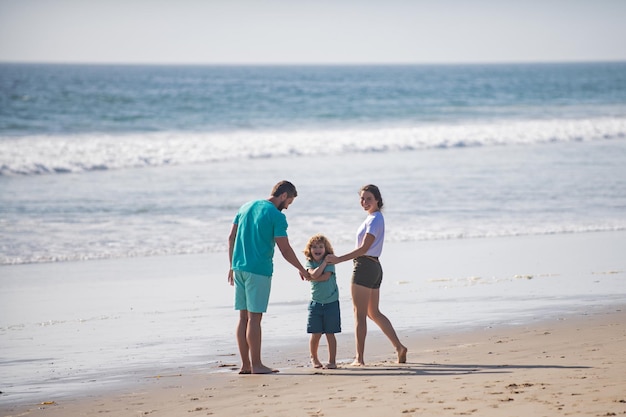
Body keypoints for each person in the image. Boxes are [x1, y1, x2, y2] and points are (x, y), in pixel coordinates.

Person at [227, 180, 310, 374]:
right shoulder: (276, 216)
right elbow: (285, 249)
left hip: (238, 267)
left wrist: (231, 265)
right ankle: (256, 365)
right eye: (289, 202)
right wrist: (301, 269)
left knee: (243, 317)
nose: (287, 207)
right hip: (259, 270)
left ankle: (246, 365)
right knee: (255, 318)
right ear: (283, 196)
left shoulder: (246, 206)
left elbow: (231, 237)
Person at [326, 184, 407, 366]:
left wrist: (339, 259)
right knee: (373, 312)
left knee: (359, 314)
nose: (364, 202)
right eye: (362, 198)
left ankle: (359, 358)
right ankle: (399, 347)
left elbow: (363, 248)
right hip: (375, 267)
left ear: (377, 199)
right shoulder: (375, 218)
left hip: (364, 266)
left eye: (368, 198)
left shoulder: (374, 220)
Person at [303, 234, 341, 369]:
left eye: (320, 246)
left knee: (330, 333)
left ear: (326, 249)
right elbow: (313, 273)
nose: (317, 249)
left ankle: (332, 361)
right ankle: (314, 358)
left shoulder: (330, 262)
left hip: (331, 302)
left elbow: (324, 277)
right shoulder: (309, 263)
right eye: (314, 247)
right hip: (316, 303)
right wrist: (312, 276)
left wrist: (324, 263)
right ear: (309, 249)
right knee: (316, 333)